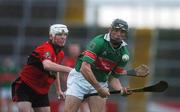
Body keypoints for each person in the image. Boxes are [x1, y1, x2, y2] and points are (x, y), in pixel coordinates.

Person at [64, 18, 150, 112]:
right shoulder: (99, 42)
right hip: (80, 80)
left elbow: (113, 78)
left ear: (125, 35)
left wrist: (121, 89)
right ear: (110, 30)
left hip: (100, 82)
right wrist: (99, 88)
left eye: (122, 32)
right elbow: (84, 68)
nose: (118, 34)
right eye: (116, 30)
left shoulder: (124, 54)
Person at [11, 24, 72, 112]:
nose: (63, 37)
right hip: (26, 86)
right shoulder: (46, 48)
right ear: (51, 36)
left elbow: (55, 70)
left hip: (41, 90)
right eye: (59, 34)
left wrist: (58, 89)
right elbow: (47, 65)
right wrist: (69, 69)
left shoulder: (60, 53)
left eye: (65, 34)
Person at [62, 44, 90, 112]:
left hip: (83, 86)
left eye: (75, 49)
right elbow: (62, 75)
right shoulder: (66, 60)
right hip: (70, 87)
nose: (73, 51)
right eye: (72, 49)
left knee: (84, 104)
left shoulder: (83, 60)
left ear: (79, 50)